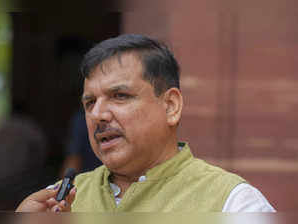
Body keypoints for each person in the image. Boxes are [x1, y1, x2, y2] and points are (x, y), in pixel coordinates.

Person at [16, 34, 275, 212]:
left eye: (120, 96)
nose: (99, 114)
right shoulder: (57, 202)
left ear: (171, 106)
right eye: (90, 102)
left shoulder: (232, 203)